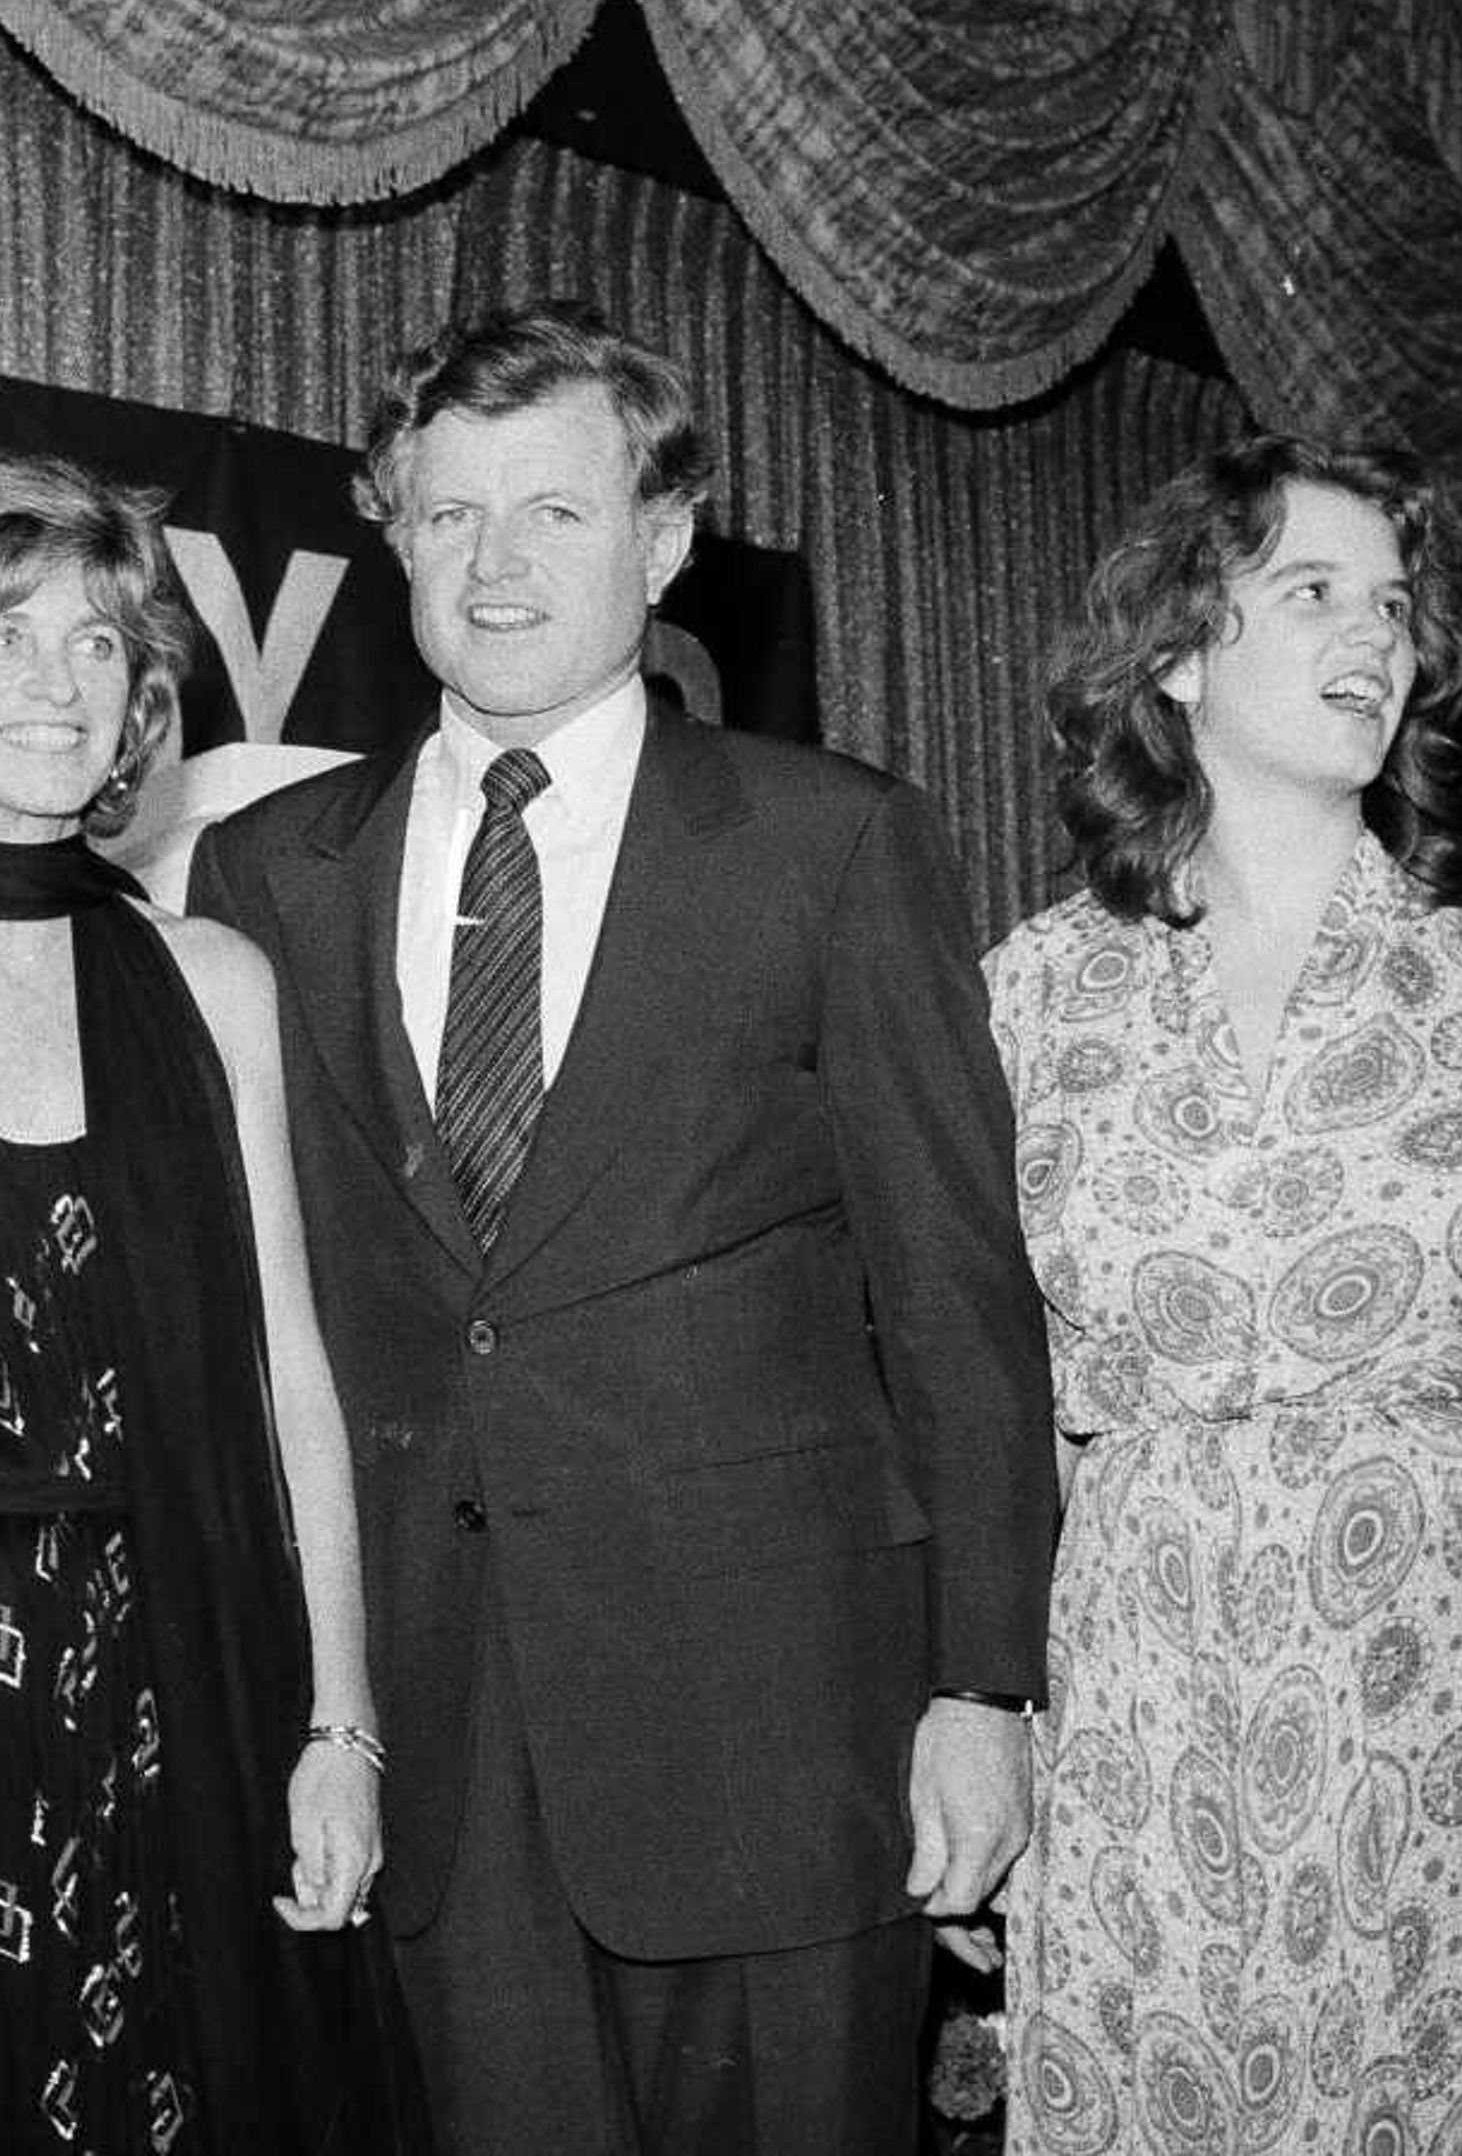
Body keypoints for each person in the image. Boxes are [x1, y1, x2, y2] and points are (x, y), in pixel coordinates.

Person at [188, 300, 1054, 2155]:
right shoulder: (265, 873)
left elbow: (960, 1299)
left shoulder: (832, 844)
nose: (495, 566)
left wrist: (985, 1684)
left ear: (661, 543)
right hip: (440, 1733)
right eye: (447, 515)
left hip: (781, 1723)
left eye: (557, 514)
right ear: (394, 538)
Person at [987, 436, 1462, 2156]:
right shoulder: (1029, 998)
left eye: (1394, 605)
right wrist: (988, 1719)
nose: (1377, 635)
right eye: (1313, 593)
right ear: (1179, 654)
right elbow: (987, 1383)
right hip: (1153, 1677)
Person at [0, 455, 422, 2154]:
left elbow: (297, 1378)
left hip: (193, 1668)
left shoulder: (215, 982)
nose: (62, 686)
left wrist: (338, 1723)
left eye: (96, 644)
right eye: (1, 638)